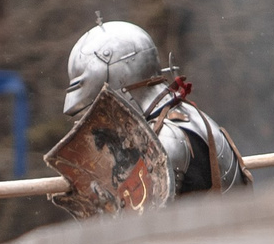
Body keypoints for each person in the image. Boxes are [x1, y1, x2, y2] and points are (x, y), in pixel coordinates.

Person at [62, 20, 252, 198]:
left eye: (98, 103)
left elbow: (153, 224)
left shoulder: (167, 140)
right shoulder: (185, 115)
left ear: (119, 87)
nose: (98, 116)